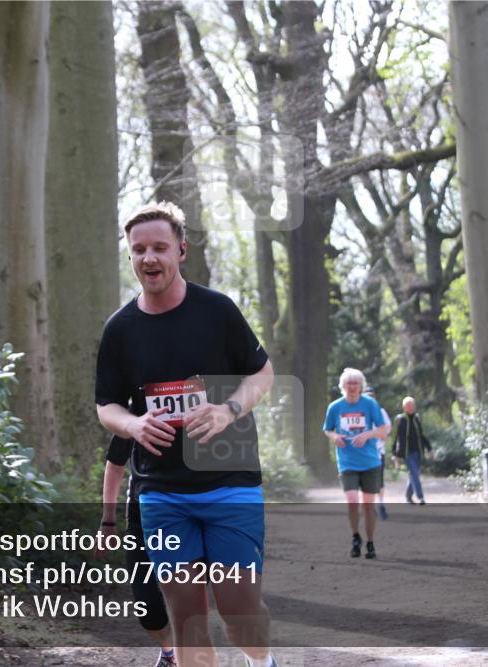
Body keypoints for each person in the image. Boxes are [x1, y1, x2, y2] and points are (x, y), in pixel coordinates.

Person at [95, 201, 277, 667]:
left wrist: (229, 409)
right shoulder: (120, 329)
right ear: (130, 256)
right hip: (162, 493)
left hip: (229, 482)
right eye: (139, 250)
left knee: (239, 615)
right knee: (188, 622)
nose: (149, 258)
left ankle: (262, 661)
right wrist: (132, 423)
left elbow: (263, 374)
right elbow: (106, 406)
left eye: (159, 247)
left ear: (181, 250)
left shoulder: (216, 311)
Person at [97, 436, 176, 667]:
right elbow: (115, 464)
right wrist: (108, 522)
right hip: (142, 515)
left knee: (186, 597)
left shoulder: (196, 408)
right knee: (148, 607)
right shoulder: (134, 412)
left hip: (190, 515)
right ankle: (169, 651)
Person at [322, 369, 390, 559]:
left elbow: (383, 430)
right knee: (352, 500)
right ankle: (355, 536)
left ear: (361, 386)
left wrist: (367, 434)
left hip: (370, 462)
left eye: (355, 383)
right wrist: (335, 436)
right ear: (343, 386)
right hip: (347, 462)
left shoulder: (370, 404)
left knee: (368, 505)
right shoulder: (335, 407)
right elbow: (327, 429)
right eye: (349, 383)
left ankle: (370, 542)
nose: (352, 387)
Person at [392, 396, 433, 505]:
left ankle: (408, 495)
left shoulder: (417, 419)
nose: (411, 408)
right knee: (414, 473)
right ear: (404, 407)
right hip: (406, 452)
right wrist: (394, 453)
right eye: (408, 406)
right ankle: (421, 497)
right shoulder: (400, 419)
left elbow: (421, 435)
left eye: (412, 405)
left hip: (418, 451)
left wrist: (429, 448)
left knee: (413, 474)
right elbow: (395, 437)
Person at [363, 386, 391, 520]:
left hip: (378, 452)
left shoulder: (381, 412)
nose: (370, 398)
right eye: (367, 396)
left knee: (379, 481)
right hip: (364, 453)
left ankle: (381, 505)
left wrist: (381, 434)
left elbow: (387, 429)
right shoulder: (360, 413)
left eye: (372, 396)